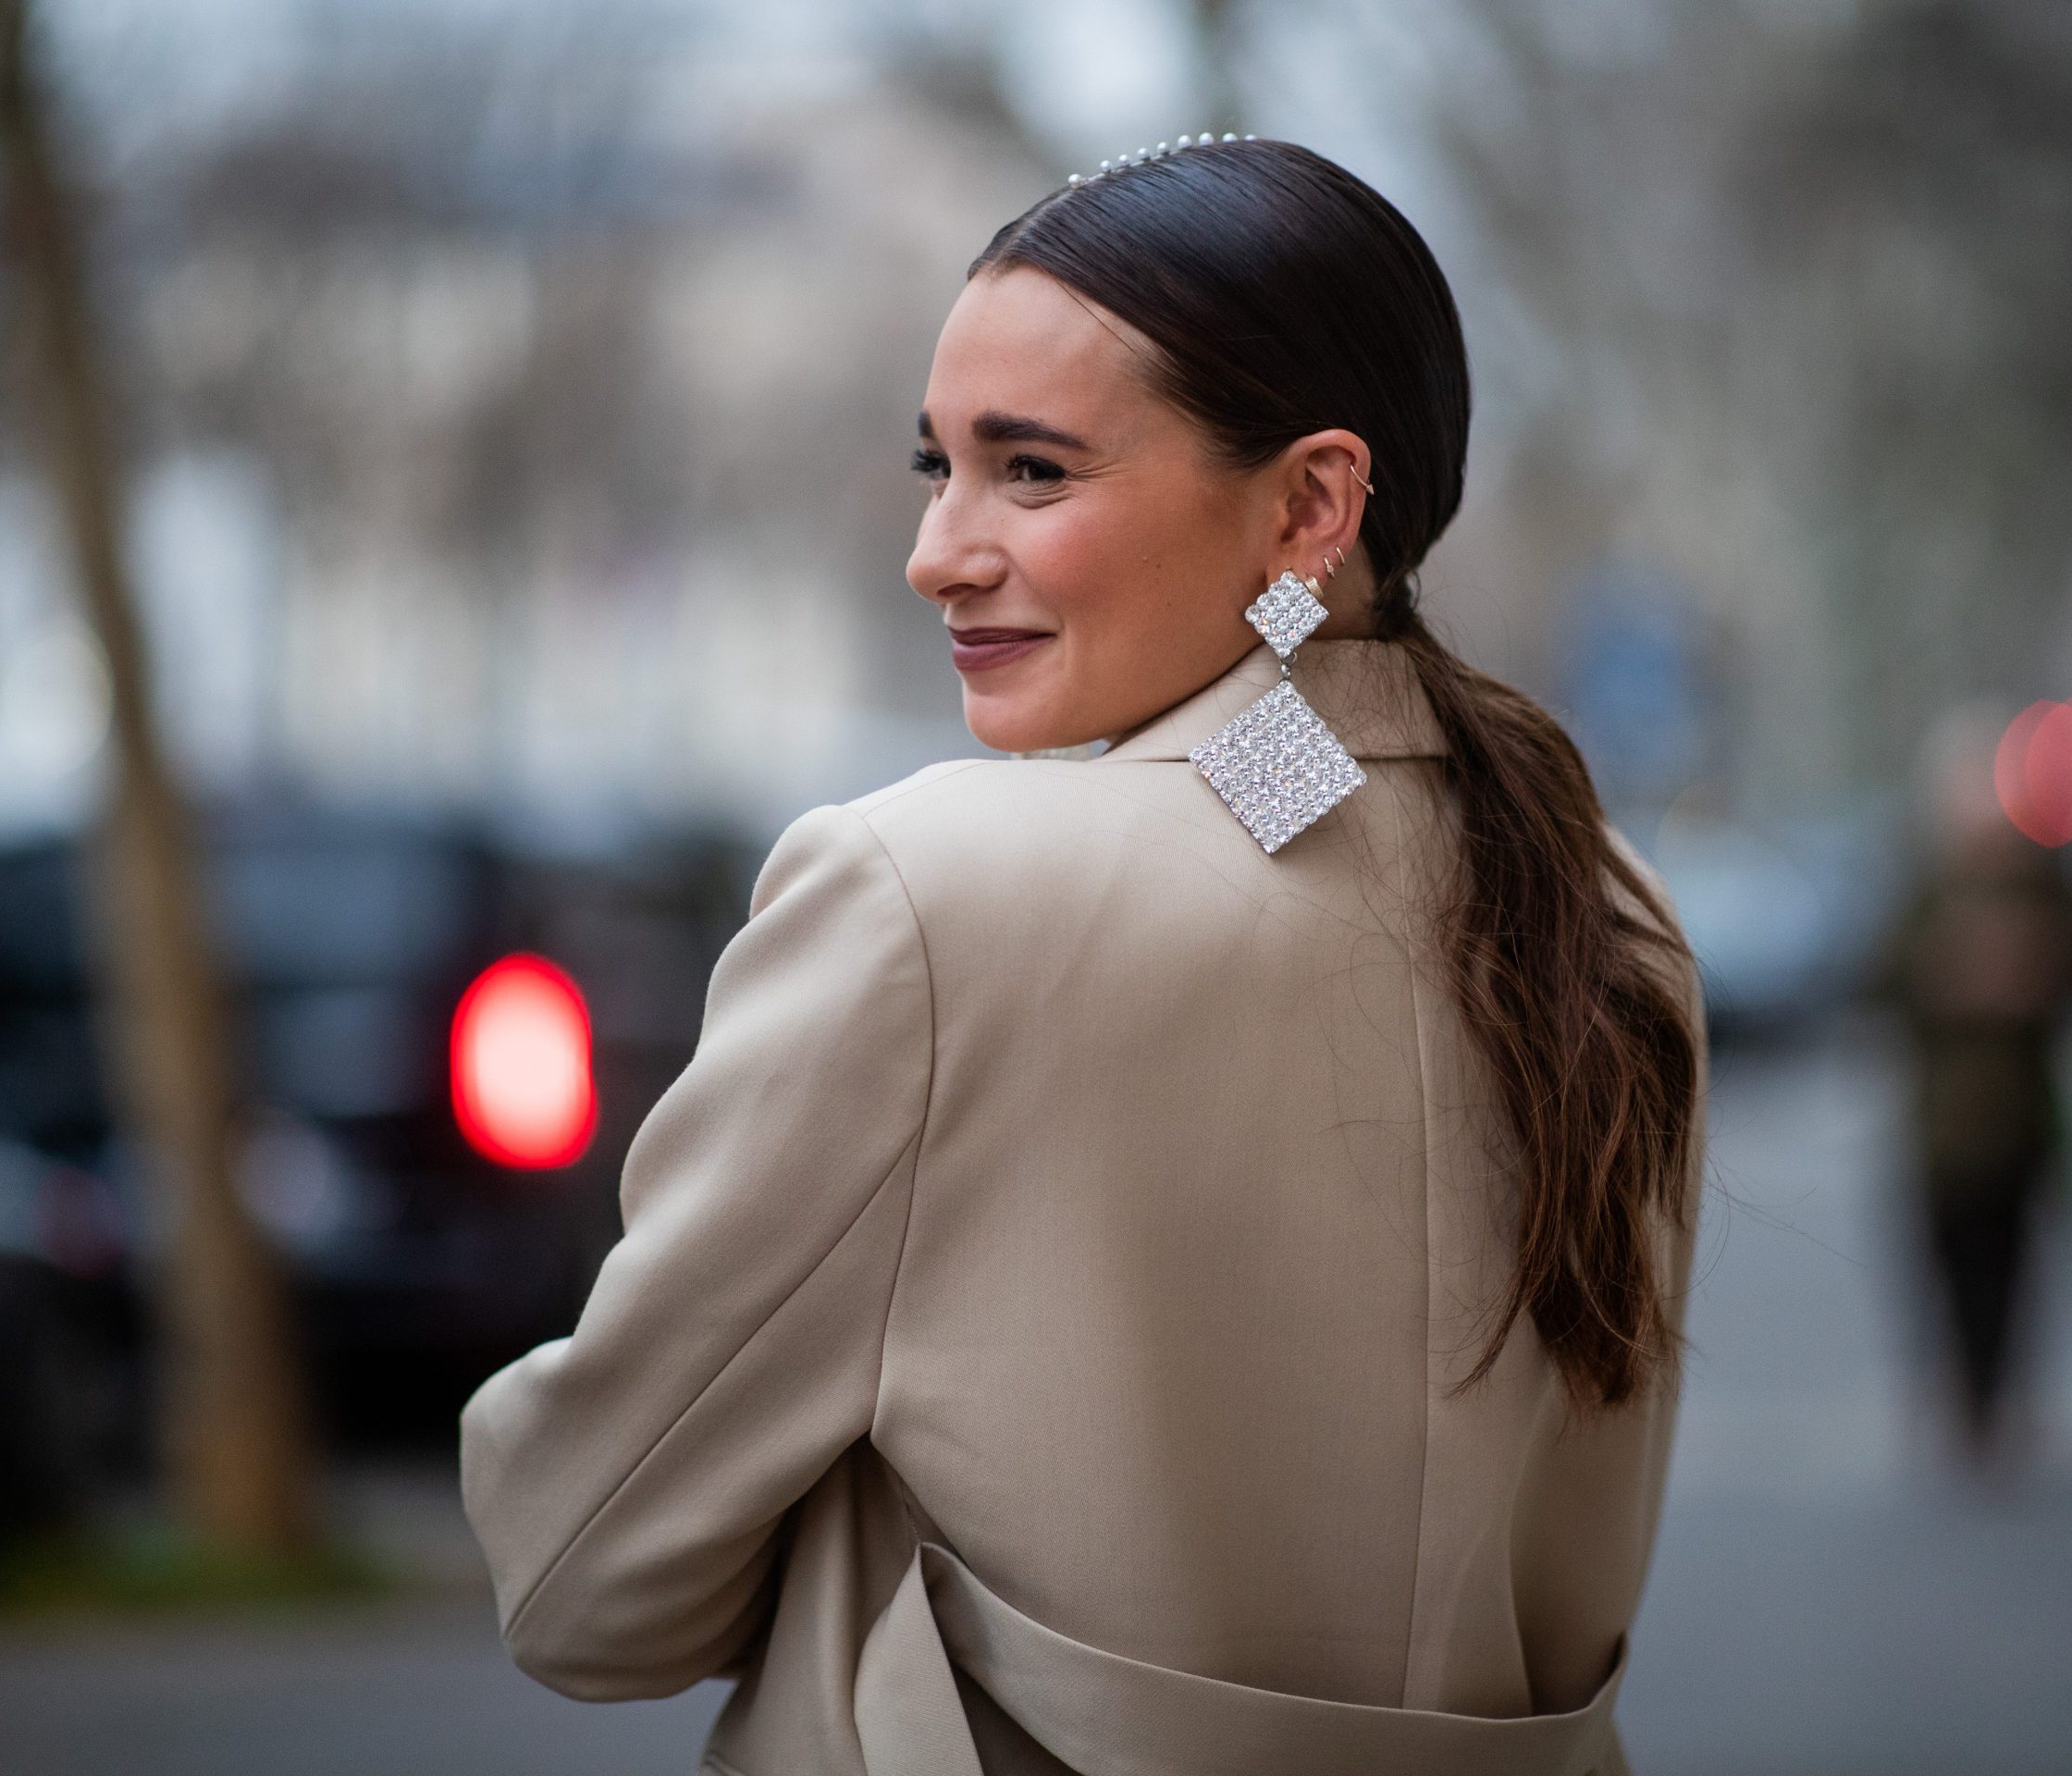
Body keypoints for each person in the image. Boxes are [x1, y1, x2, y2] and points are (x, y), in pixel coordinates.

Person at [462, 137, 1707, 1775]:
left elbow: (584, 1582)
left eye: (1033, 472)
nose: (940, 551)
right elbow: (1270, 801)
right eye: (940, 466)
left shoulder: (930, 902)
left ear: (1312, 504)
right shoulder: (1607, 912)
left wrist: (868, 1525)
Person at [1882, 718, 2072, 1468]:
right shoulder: (1928, 888)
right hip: (1940, 1130)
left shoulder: (2044, 882)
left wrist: (2035, 974)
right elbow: (1880, 981)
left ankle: (1997, 1401)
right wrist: (1946, 975)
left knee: (2011, 1267)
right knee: (1949, 1266)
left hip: (2019, 1123)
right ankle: (1965, 1398)